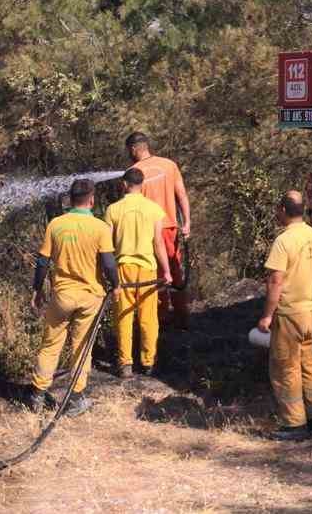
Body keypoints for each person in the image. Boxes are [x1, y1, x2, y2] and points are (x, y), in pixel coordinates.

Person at [27, 178, 117, 414]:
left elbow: (43, 261)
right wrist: (115, 285)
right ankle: (76, 399)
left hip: (62, 297)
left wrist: (36, 290)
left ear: (70, 198)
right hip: (90, 296)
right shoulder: (100, 228)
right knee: (82, 346)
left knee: (50, 345)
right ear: (92, 199)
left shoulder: (56, 225)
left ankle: (37, 395)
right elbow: (108, 263)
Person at [256, 190, 312, 441]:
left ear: (283, 210)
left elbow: (276, 281)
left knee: (285, 367)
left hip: (290, 312)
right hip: (311, 311)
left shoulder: (283, 241)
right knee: (310, 365)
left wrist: (266, 315)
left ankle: (294, 424)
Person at [106, 166, 172, 378]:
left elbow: (106, 245)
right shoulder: (153, 209)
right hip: (147, 269)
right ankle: (148, 361)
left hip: (122, 268)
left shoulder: (112, 210)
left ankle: (125, 363)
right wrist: (168, 272)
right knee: (148, 317)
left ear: (124, 184)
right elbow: (159, 244)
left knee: (123, 316)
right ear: (141, 185)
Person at [125, 132, 192, 328]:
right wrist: (187, 222)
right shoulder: (169, 164)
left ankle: (161, 318)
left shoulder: (133, 173)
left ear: (133, 149)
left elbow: (131, 205)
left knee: (154, 273)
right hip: (170, 227)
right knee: (175, 270)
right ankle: (182, 317)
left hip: (147, 231)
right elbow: (182, 195)